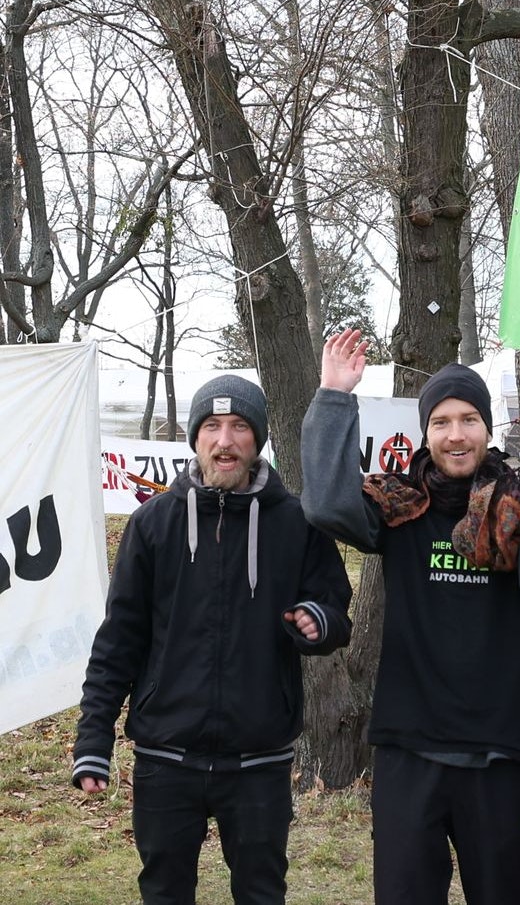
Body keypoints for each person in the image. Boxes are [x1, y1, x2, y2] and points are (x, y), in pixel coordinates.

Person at [299, 329, 520, 905]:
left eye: (469, 419)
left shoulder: (517, 505)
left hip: (498, 751)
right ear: (425, 433)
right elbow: (325, 503)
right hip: (410, 749)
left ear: (487, 429)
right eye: (441, 421)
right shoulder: (400, 506)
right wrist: (333, 396)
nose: (455, 435)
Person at [71, 375, 354, 905]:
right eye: (212, 427)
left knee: (262, 893)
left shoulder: (297, 523)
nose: (225, 441)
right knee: (164, 892)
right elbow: (118, 641)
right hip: (165, 758)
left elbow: (337, 611)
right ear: (195, 438)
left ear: (258, 439)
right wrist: (93, 742)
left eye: (239, 427)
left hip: (259, 762)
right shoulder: (152, 524)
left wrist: (319, 621)